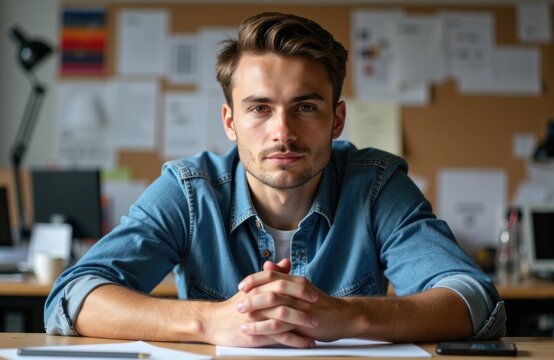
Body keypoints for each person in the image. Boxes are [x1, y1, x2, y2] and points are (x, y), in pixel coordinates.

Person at [44, 12, 506, 348]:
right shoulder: (189, 189)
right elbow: (74, 296)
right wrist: (211, 322)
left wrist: (344, 316)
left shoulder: (377, 185)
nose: (282, 131)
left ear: (337, 119)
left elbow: (473, 301)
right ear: (230, 121)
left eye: (305, 107)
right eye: (259, 108)